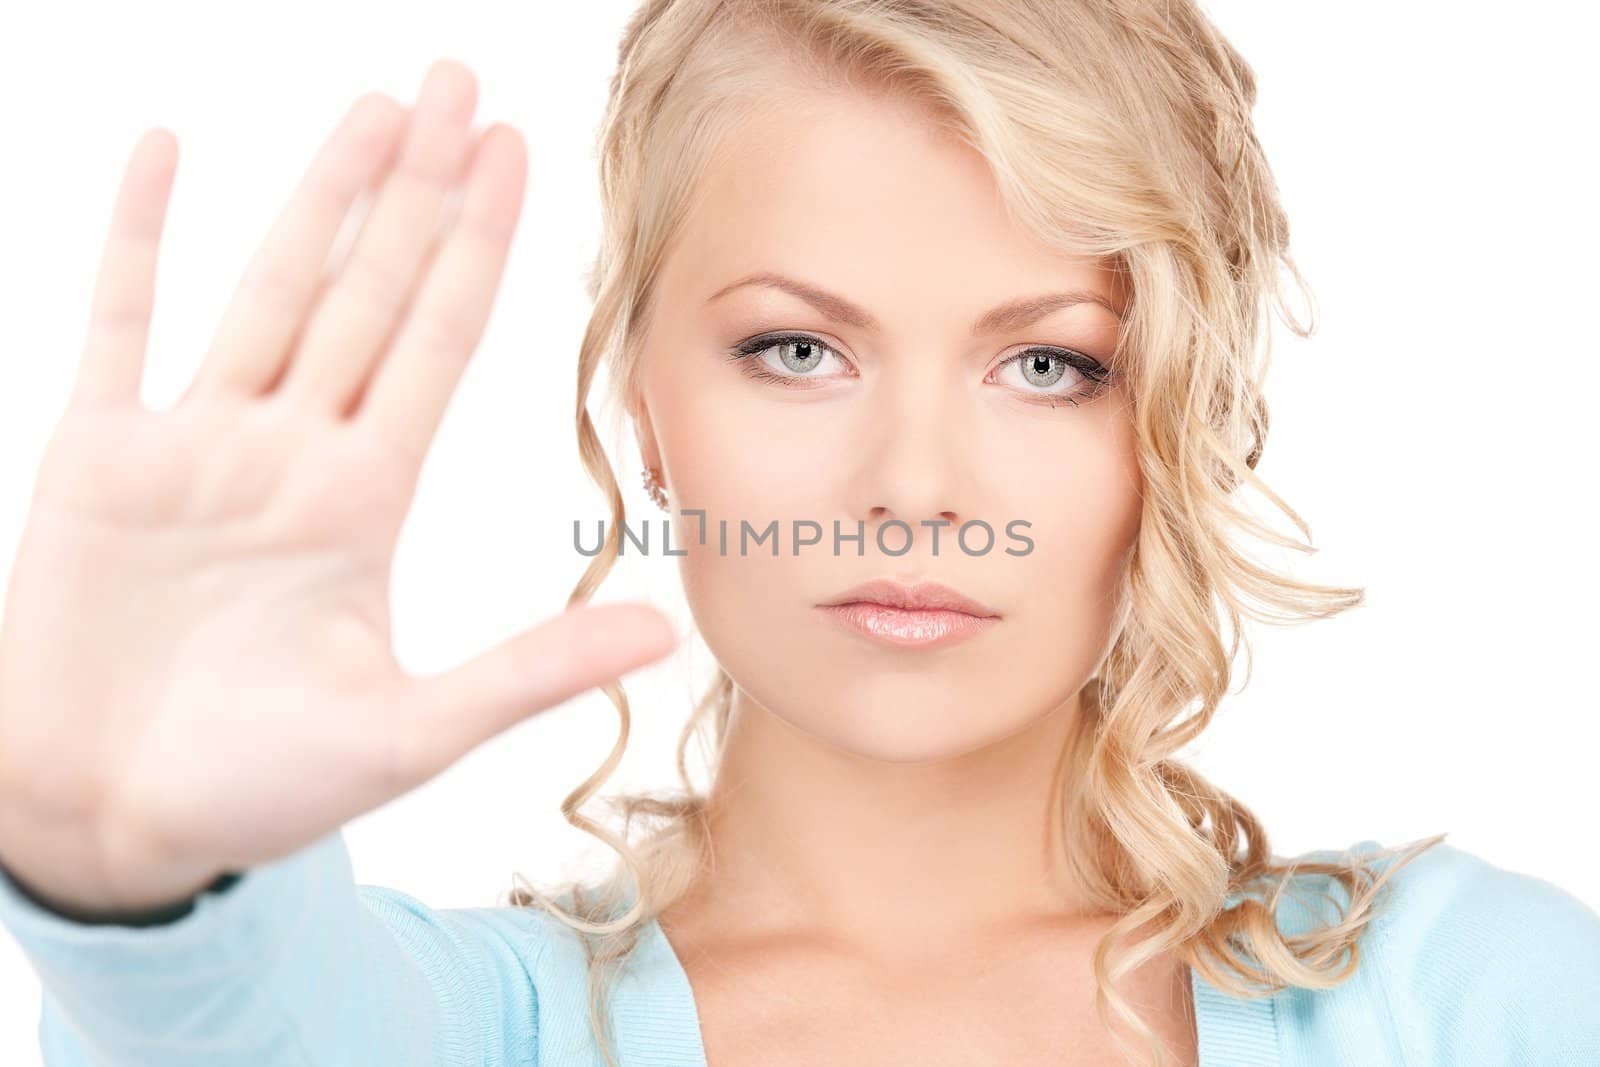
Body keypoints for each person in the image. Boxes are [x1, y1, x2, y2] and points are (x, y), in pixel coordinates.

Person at [0, 3, 1596, 1066]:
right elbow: (234, 1019)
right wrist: (131, 881)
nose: (915, 488)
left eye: (1048, 363)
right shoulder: (473, 1033)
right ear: (644, 399)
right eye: (797, 350)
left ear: (1178, 413)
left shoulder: (1473, 1001)